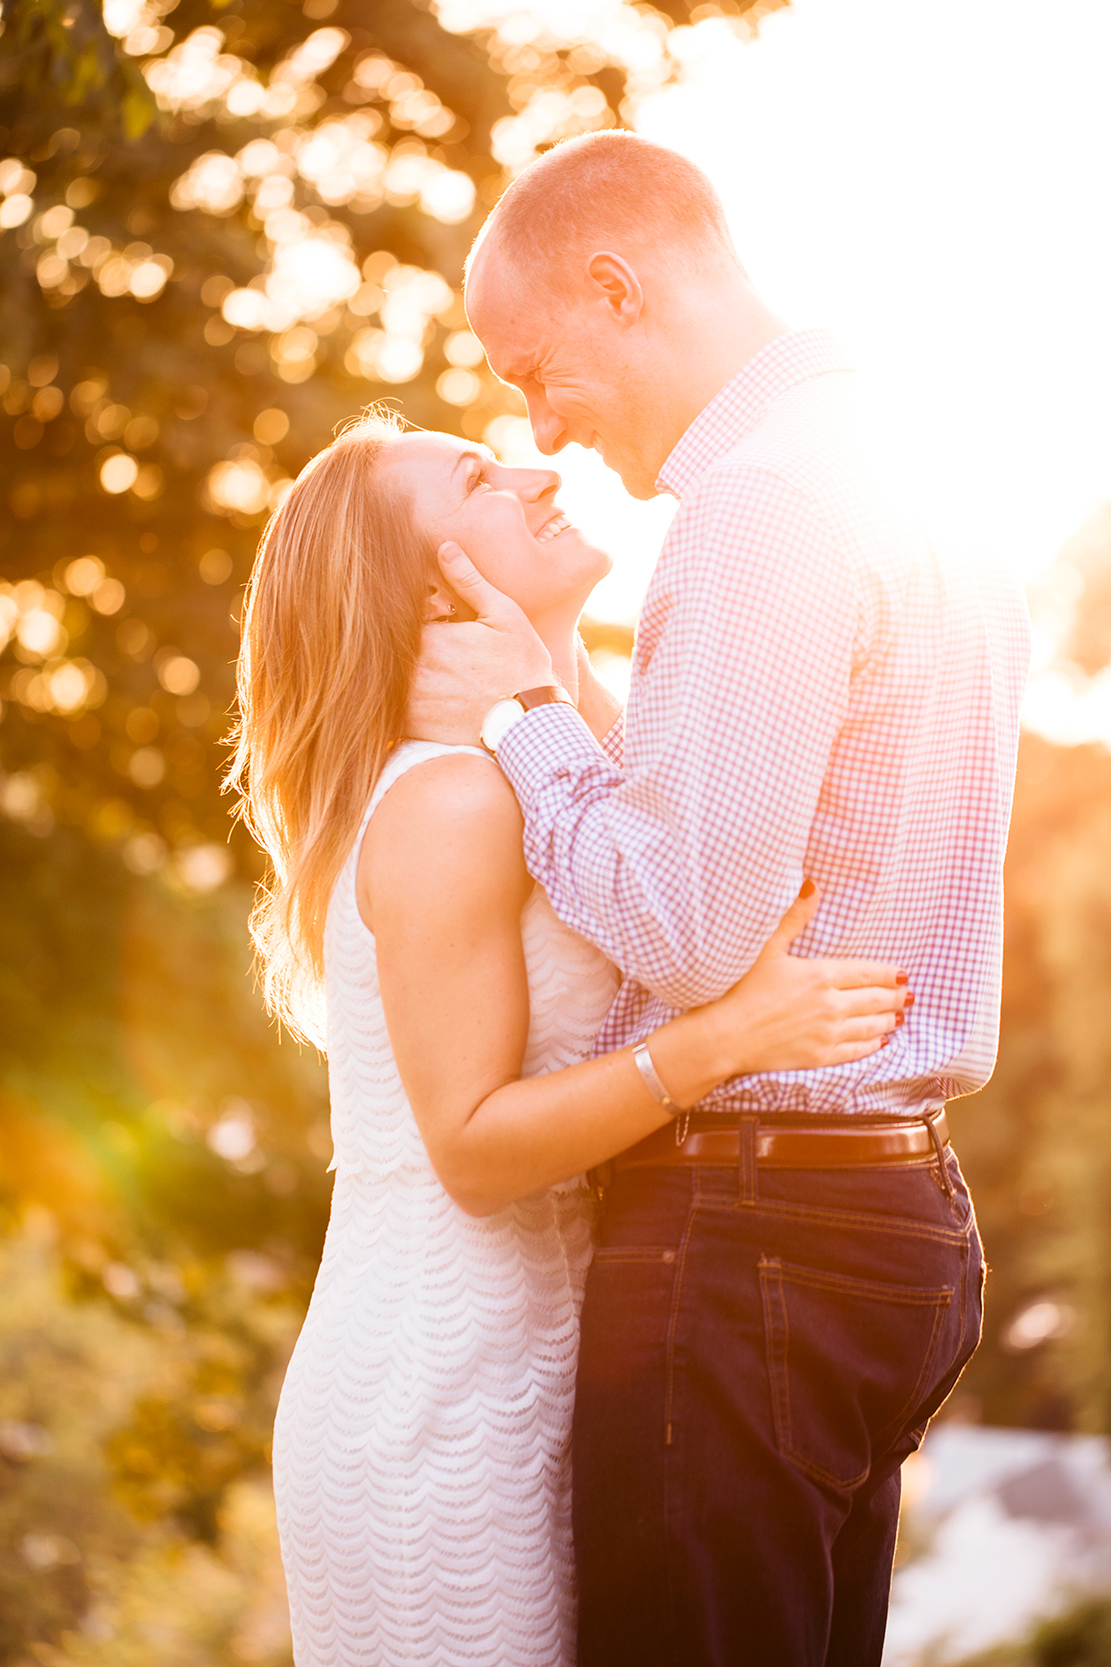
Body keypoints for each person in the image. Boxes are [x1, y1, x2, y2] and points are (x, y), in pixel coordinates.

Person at [407, 131, 1032, 1666]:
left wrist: (526, 711)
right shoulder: (902, 458)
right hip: (893, 1212)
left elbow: (687, 933)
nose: (533, 419)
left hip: (754, 1222)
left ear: (615, 289)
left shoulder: (758, 507)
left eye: (529, 367)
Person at [224, 412, 909, 1667]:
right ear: (431, 588)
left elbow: (657, 828)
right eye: (478, 479)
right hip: (434, 1402)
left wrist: (533, 660)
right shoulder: (446, 801)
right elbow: (474, 1152)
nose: (537, 471)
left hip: (546, 1368)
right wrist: (726, 1037)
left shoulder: (543, 759)